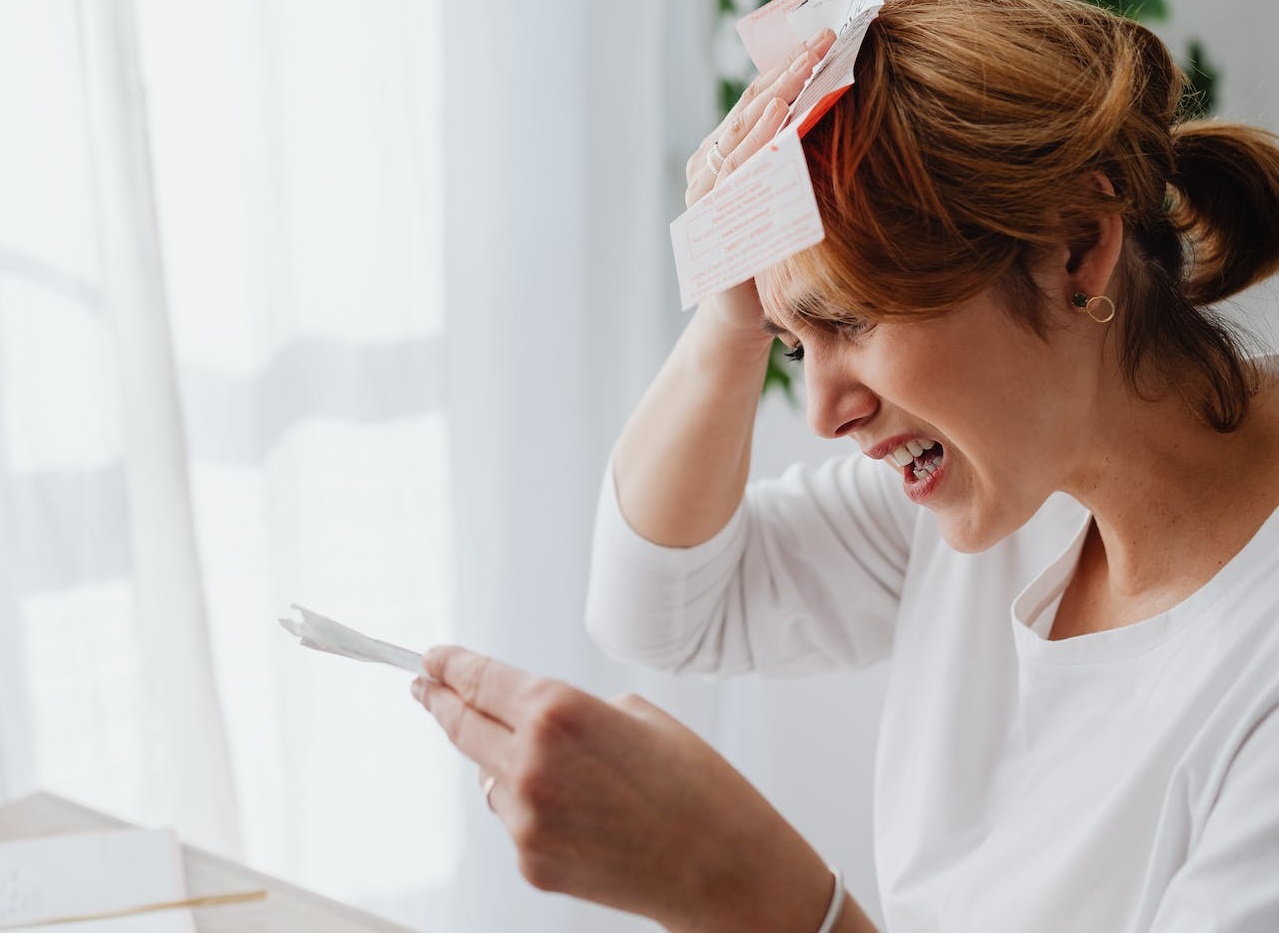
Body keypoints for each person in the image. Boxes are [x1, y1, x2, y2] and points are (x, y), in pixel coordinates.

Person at [410, 0, 1279, 930]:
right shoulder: (1008, 485)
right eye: (791, 343)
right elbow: (659, 605)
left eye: (850, 321)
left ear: (1075, 243)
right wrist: (730, 302)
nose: (824, 414)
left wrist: (757, 894)